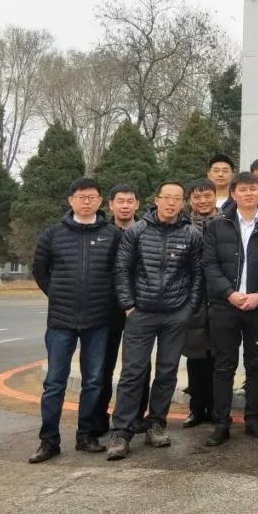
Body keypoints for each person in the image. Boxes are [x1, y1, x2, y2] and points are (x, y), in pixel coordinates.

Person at [105, 181, 204, 460]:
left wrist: (189, 308)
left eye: (177, 198)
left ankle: (156, 423)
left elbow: (198, 274)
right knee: (133, 372)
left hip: (176, 313)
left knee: (167, 371)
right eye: (166, 197)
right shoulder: (137, 231)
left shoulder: (192, 234)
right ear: (156, 200)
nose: (171, 203)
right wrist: (128, 305)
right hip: (141, 313)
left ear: (183, 202)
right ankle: (121, 431)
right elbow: (121, 270)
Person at [28, 178, 119, 463]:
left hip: (98, 320)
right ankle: (48, 441)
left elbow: (119, 273)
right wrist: (57, 294)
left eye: (92, 196)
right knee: (55, 382)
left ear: (100, 201)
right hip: (61, 321)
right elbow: (40, 270)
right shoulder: (53, 234)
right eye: (81, 196)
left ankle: (86, 435)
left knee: (93, 381)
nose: (86, 201)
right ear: (71, 200)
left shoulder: (112, 235)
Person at [203, 172, 258, 446]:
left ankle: (253, 419)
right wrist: (230, 293)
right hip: (225, 305)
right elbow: (209, 264)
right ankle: (221, 423)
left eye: (253, 189)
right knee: (223, 366)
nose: (249, 194)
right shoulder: (217, 225)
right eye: (243, 189)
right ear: (233, 193)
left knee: (256, 364)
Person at [91, 184, 148, 440]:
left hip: (140, 307)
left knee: (139, 365)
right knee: (103, 365)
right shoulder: (101, 232)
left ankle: (136, 416)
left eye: (130, 201)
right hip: (106, 308)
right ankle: (98, 417)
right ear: (111, 204)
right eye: (120, 201)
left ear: (137, 204)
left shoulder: (146, 231)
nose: (125, 206)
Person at [180, 178, 218, 428]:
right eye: (197, 197)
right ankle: (196, 407)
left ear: (215, 196)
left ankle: (215, 407)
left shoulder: (227, 222)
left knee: (218, 355)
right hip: (191, 298)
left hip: (218, 297)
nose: (202, 201)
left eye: (207, 196)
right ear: (190, 200)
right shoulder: (182, 226)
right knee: (194, 356)